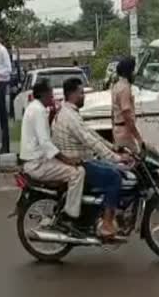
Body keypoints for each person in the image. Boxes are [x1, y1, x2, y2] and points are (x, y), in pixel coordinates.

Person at [52, 78, 130, 238]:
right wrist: (116, 158)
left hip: (81, 159)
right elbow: (90, 141)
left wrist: (111, 147)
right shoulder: (70, 117)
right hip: (79, 163)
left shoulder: (68, 112)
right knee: (114, 177)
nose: (84, 96)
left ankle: (103, 212)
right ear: (72, 94)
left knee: (114, 169)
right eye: (81, 93)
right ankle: (107, 224)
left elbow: (90, 134)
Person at [20, 79, 85, 222]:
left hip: (36, 160)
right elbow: (45, 143)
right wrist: (67, 159)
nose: (52, 96)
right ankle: (71, 215)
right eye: (50, 92)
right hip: (37, 164)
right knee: (77, 173)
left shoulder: (35, 108)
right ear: (44, 94)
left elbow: (42, 135)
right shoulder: (38, 111)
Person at [111, 56, 143, 153]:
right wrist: (138, 137)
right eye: (133, 70)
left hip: (118, 130)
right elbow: (127, 115)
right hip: (125, 132)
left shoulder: (116, 86)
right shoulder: (125, 89)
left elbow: (112, 113)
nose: (135, 74)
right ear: (128, 72)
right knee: (136, 161)